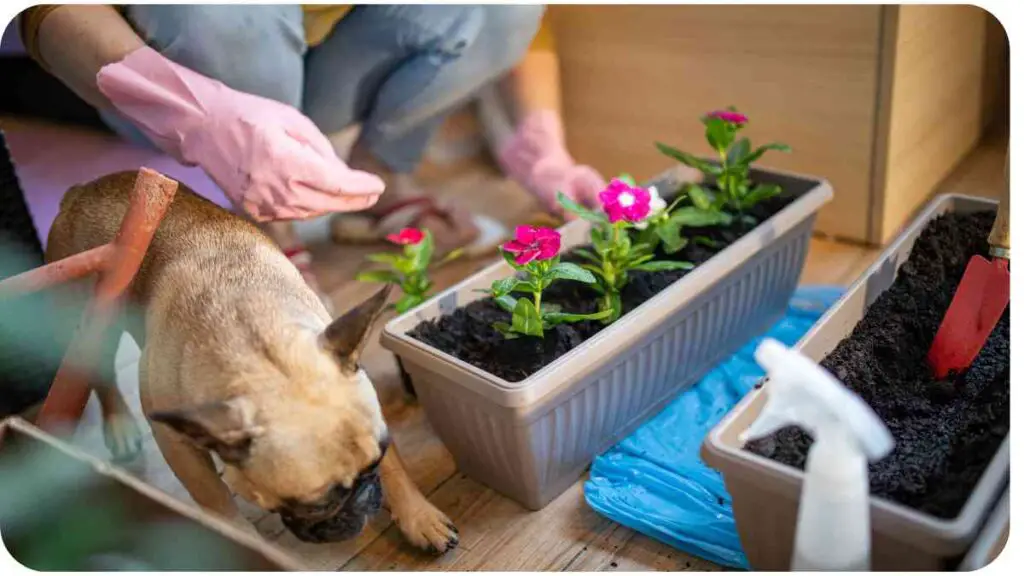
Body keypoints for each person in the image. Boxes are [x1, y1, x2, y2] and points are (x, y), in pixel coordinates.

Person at [17, 4, 548, 308]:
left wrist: (541, 149)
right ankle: (270, 221)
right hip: (160, 68)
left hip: (319, 55)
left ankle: (379, 179)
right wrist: (200, 114)